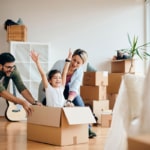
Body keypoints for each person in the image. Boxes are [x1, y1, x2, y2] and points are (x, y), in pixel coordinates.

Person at [39, 48, 96, 138]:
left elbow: (74, 88)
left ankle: (87, 128)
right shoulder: (60, 63)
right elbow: (51, 78)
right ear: (71, 57)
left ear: (82, 64)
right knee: (48, 106)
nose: (74, 64)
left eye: (78, 63)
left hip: (64, 89)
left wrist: (69, 101)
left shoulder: (80, 71)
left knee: (78, 100)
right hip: (50, 88)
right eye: (74, 60)